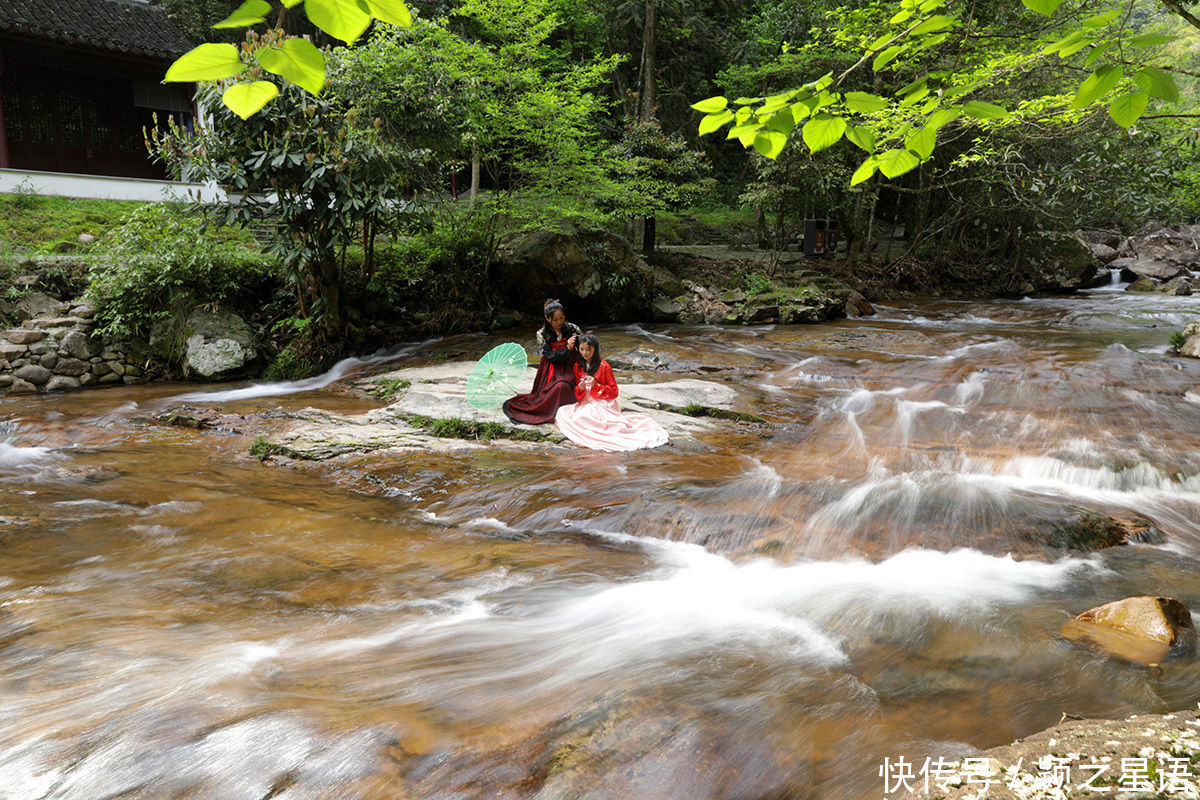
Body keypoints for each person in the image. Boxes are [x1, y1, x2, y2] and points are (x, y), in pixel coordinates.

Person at [554, 331, 669, 452]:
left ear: (595, 349)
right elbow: (578, 392)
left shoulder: (604, 366)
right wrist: (581, 388)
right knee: (562, 412)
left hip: (602, 403)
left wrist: (596, 385)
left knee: (587, 417)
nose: (585, 353)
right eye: (581, 349)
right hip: (586, 402)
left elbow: (614, 391)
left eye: (588, 349)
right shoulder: (578, 366)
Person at [502, 299, 582, 425]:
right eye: (555, 320)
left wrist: (577, 344)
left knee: (569, 386)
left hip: (571, 365)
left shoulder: (573, 328)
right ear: (547, 318)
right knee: (559, 386)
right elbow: (551, 356)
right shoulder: (542, 333)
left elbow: (584, 346)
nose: (559, 322)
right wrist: (566, 348)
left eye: (561, 318)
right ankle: (553, 410)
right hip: (552, 368)